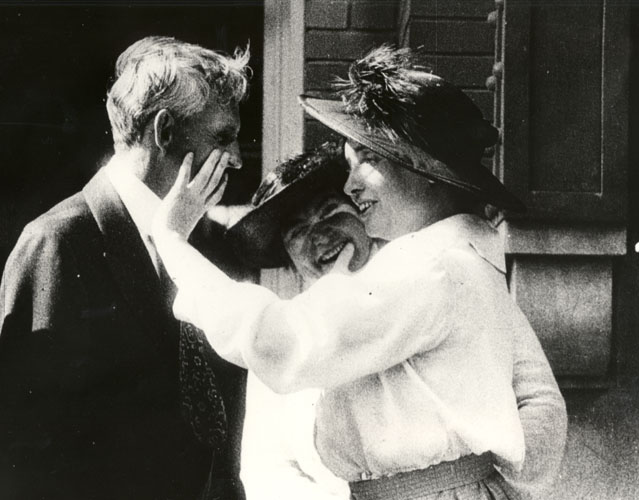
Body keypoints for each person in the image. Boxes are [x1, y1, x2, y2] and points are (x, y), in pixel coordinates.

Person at [151, 45, 568, 499]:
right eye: (297, 232)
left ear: (427, 167)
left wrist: (173, 243)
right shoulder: (456, 261)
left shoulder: (429, 268)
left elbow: (281, 340)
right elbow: (269, 470)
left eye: (368, 160)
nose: (350, 185)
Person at [226, 143, 566, 500]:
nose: (320, 236)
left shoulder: (434, 279)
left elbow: (540, 400)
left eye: (330, 212)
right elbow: (266, 466)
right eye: (297, 232)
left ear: (362, 212)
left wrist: (486, 488)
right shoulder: (283, 340)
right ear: (288, 257)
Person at [0, 36, 249, 500]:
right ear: (165, 131)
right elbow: (24, 451)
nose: (235, 157)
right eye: (222, 136)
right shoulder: (58, 243)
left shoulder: (210, 249)